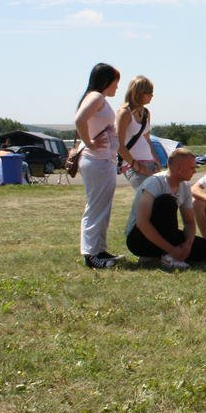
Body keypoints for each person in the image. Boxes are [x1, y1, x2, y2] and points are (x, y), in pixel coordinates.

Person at [125, 148, 206, 269]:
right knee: (167, 201)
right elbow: (142, 223)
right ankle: (166, 254)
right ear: (180, 168)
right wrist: (172, 250)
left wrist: (188, 245)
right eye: (192, 167)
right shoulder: (154, 183)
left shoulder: (185, 186)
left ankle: (156, 256)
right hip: (139, 239)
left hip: (168, 236)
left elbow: (189, 222)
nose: (194, 171)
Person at [74, 62, 123, 269]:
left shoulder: (95, 97)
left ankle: (99, 249)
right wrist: (90, 142)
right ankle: (91, 254)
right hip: (98, 160)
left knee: (102, 207)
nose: (117, 87)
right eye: (115, 82)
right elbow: (80, 119)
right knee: (96, 208)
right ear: (106, 81)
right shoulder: (96, 97)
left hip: (103, 160)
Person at [116, 75, 161, 189]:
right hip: (132, 165)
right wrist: (136, 166)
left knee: (156, 198)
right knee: (147, 196)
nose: (152, 95)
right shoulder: (125, 113)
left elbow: (148, 140)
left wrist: (156, 159)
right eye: (149, 92)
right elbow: (119, 145)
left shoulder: (146, 113)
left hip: (150, 163)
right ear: (139, 93)